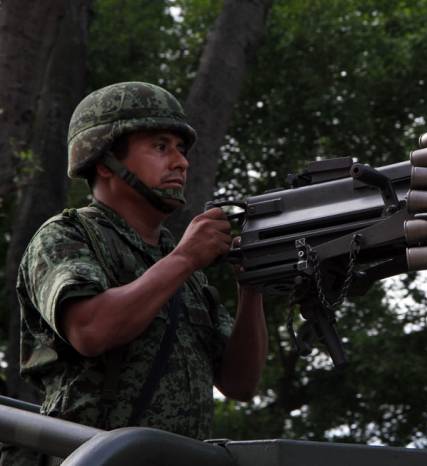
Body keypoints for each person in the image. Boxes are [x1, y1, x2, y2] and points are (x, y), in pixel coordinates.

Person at [0, 82, 267, 464]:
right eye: (160, 146)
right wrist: (185, 258)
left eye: (181, 150)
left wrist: (252, 288)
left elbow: (240, 383)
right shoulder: (67, 236)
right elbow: (91, 330)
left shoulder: (182, 271)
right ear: (106, 160)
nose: (181, 162)